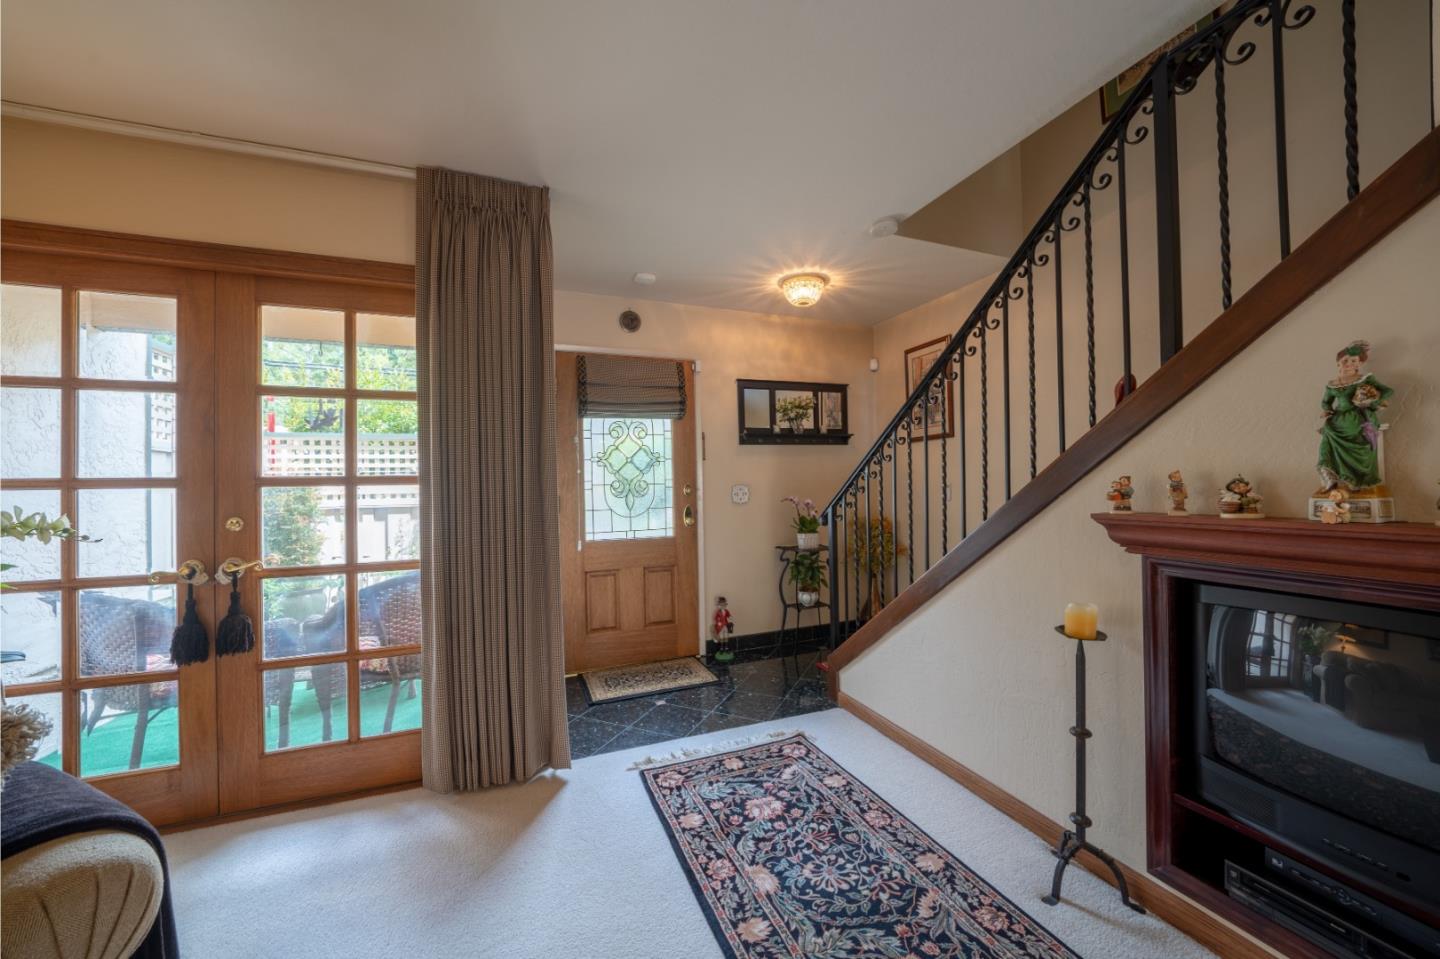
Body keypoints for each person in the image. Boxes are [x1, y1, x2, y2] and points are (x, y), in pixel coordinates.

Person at [1317, 341, 1393, 491]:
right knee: (1327, 437)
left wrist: (1373, 400)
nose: (1349, 364)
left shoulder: (1365, 379)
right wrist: (1326, 410)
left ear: (1359, 363)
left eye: (1353, 361)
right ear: (1338, 363)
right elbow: (1326, 402)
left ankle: (1353, 478)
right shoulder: (1332, 384)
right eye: (1344, 361)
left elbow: (1387, 391)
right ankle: (1330, 475)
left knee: (1357, 439)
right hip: (1337, 419)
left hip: (1358, 416)